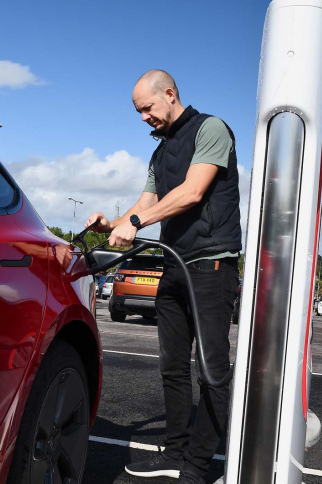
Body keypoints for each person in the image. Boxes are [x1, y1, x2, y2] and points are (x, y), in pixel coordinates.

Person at [85, 70, 241, 484]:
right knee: (172, 368)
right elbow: (146, 203)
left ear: (169, 94)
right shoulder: (160, 151)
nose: (143, 118)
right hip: (173, 266)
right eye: (138, 112)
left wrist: (135, 221)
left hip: (210, 266)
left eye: (147, 108)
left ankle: (197, 466)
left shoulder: (211, 129)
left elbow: (192, 192)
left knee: (211, 370)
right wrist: (111, 225)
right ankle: (175, 452)